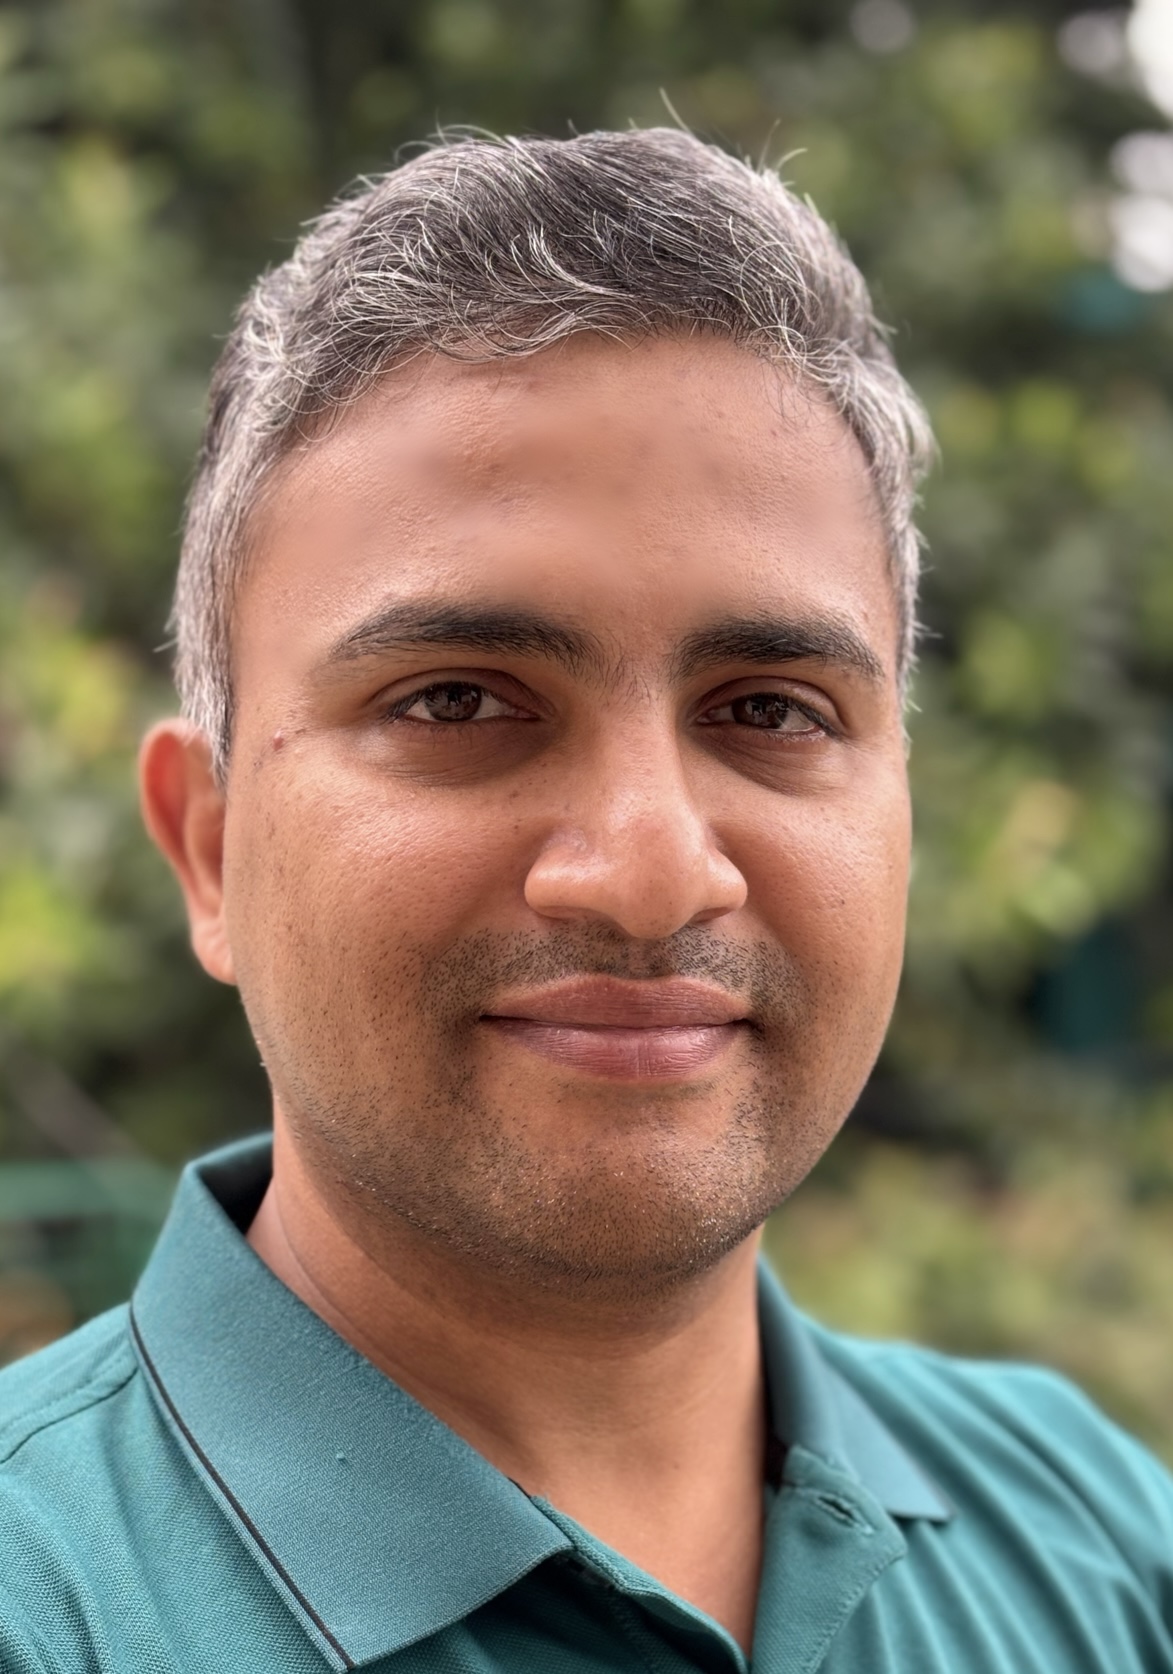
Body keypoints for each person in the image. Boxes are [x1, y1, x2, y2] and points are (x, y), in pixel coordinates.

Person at [2, 127, 1172, 1674]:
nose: (649, 871)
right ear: (208, 846)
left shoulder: (1096, 1540)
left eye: (768, 710)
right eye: (456, 700)